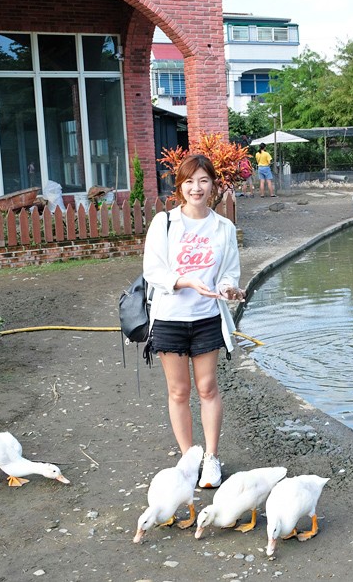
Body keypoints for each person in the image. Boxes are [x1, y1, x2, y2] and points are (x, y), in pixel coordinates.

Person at [142, 153, 246, 489]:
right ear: (180, 186)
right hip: (170, 317)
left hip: (206, 318)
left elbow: (228, 272)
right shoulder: (165, 223)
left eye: (203, 180)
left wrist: (230, 290)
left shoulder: (223, 227)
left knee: (207, 388)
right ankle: (189, 459)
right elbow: (153, 270)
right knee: (178, 391)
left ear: (213, 184)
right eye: (189, 181)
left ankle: (211, 458)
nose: (196, 187)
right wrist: (185, 281)